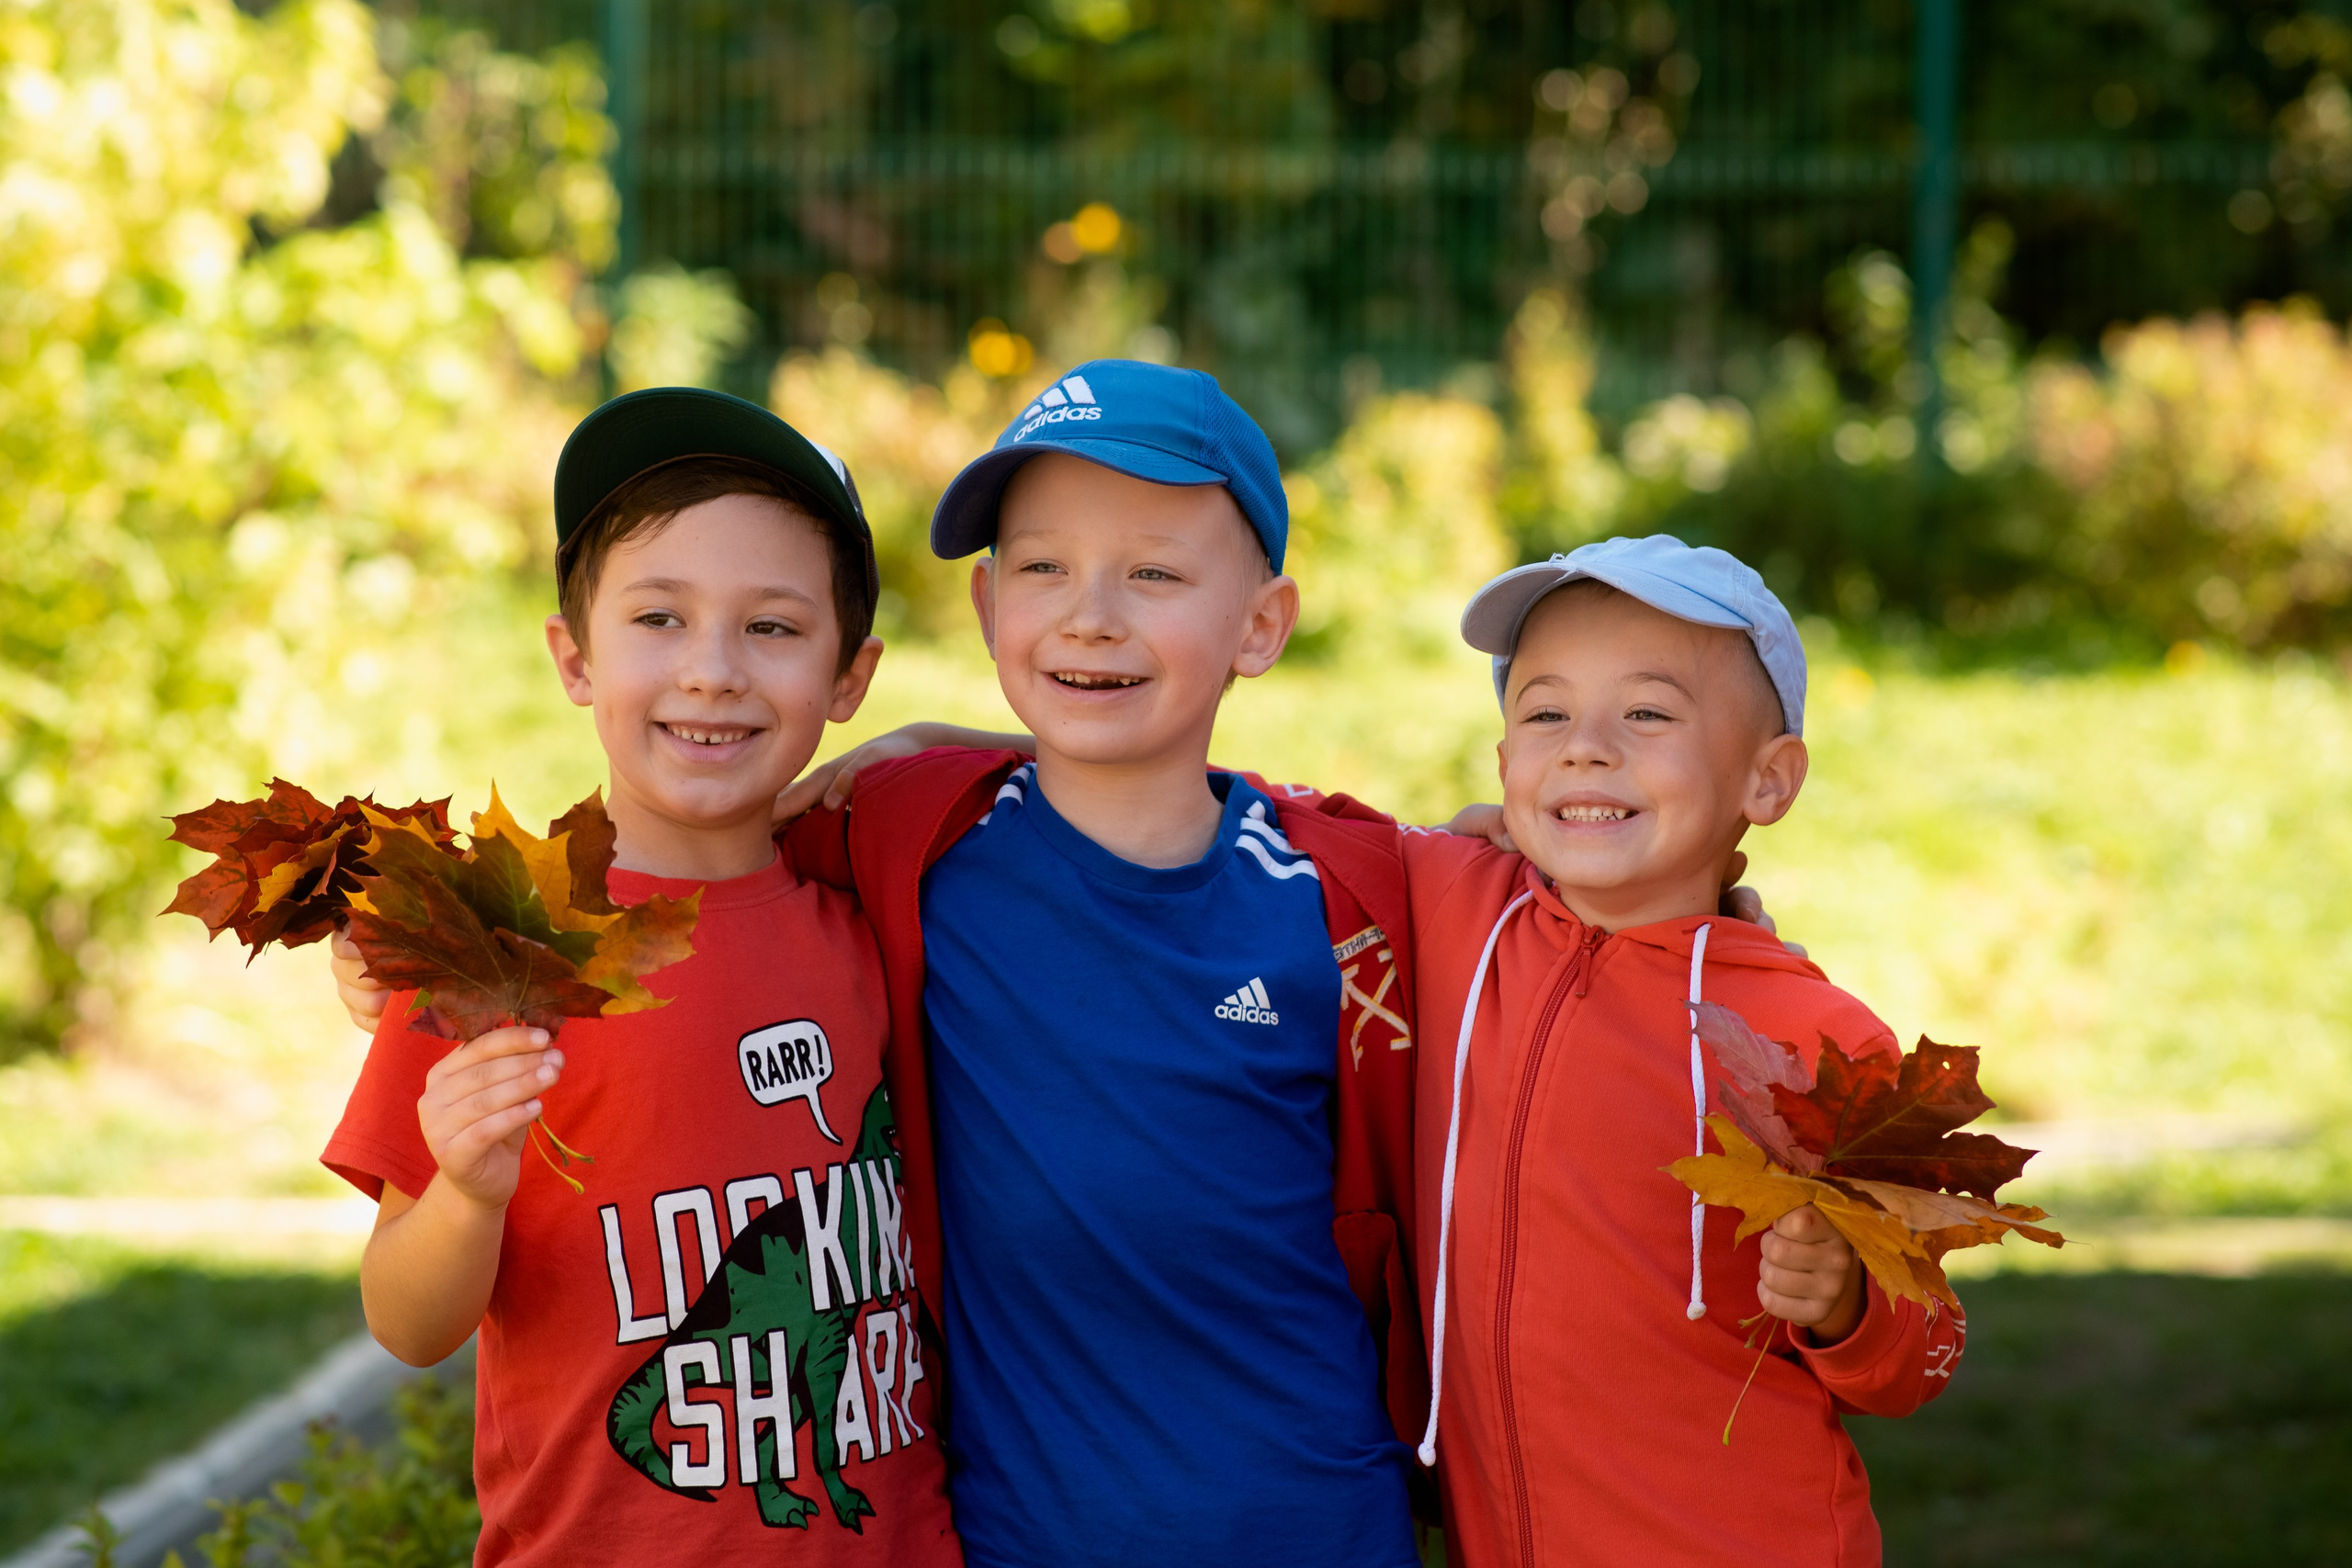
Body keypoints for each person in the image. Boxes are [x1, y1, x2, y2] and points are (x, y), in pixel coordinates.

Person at [320, 389, 963, 1566]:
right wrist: (466, 1192)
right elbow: (406, 1325)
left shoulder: (880, 900)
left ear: (849, 677)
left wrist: (927, 747)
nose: (711, 672)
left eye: (772, 628)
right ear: (574, 656)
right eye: (658, 617)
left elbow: (1115, 777)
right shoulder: (490, 947)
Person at [1403, 536, 1965, 1567]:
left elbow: (1923, 1357)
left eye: (1647, 712)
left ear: (1769, 779)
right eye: (1543, 712)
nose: (1585, 746)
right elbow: (1223, 805)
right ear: (1503, 764)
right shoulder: (1443, 910)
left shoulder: (1826, 1045)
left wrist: (1848, 1303)